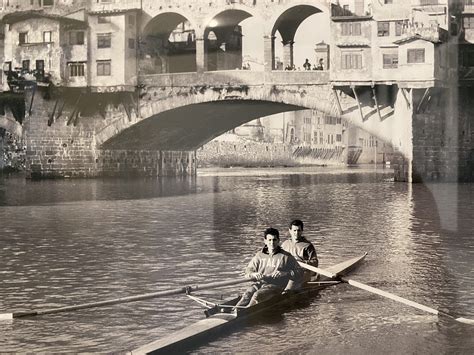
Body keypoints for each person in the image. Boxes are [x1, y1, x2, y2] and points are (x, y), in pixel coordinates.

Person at [234, 227, 302, 309]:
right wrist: (254, 274)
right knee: (247, 294)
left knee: (257, 295)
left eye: (274, 240)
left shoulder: (286, 256)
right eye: (269, 240)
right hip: (260, 283)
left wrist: (285, 273)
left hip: (276, 286)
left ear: (278, 240)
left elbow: (300, 272)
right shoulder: (259, 255)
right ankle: (235, 310)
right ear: (265, 241)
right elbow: (248, 270)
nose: (272, 243)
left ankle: (244, 312)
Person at [281, 219, 318, 290]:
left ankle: (287, 292)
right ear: (290, 231)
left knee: (289, 286)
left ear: (302, 231)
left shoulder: (308, 245)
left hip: (302, 271)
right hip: (289, 271)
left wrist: (303, 263)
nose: (296, 233)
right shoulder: (285, 244)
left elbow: (315, 262)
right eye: (294, 230)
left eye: (299, 230)